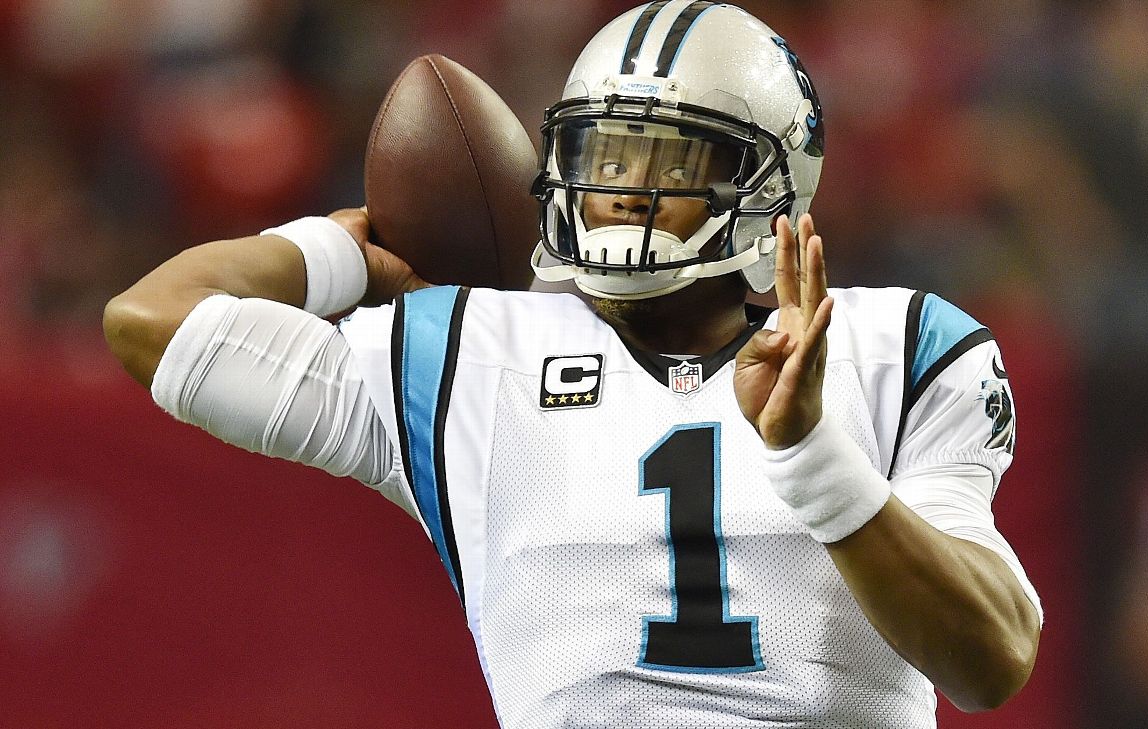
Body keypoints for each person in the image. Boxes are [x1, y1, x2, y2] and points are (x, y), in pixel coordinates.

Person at [102, 2, 1041, 726]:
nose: (623, 194)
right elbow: (152, 322)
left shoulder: (900, 347)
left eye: (668, 165)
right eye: (605, 156)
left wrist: (814, 460)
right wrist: (348, 245)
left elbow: (991, 657)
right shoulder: (464, 355)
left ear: (768, 188)